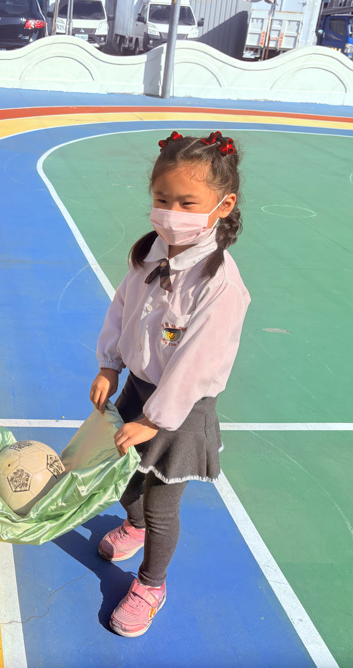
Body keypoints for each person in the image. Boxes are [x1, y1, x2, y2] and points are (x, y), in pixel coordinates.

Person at [89, 130, 251, 637]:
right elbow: (123, 308)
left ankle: (151, 584)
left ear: (223, 206)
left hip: (179, 410)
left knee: (161, 503)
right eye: (162, 199)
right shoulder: (152, 252)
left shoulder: (219, 284)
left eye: (187, 203)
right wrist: (109, 364)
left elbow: (196, 366)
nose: (171, 212)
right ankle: (133, 525)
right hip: (139, 389)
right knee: (125, 478)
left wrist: (153, 420)